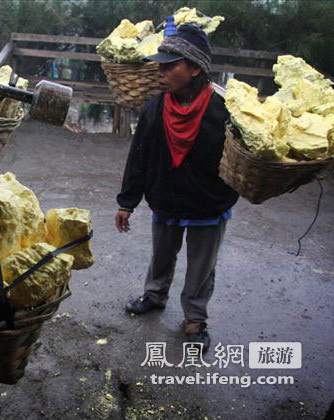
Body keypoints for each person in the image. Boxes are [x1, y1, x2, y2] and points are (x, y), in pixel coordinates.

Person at [115, 24, 239, 351]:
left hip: (207, 202)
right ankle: (154, 296)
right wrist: (127, 202)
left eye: (171, 65)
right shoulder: (155, 108)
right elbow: (138, 157)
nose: (161, 70)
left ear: (195, 68)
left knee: (201, 266)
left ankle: (195, 319)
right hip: (166, 198)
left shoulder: (224, 110)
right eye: (160, 63)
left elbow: (241, 159)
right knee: (161, 255)